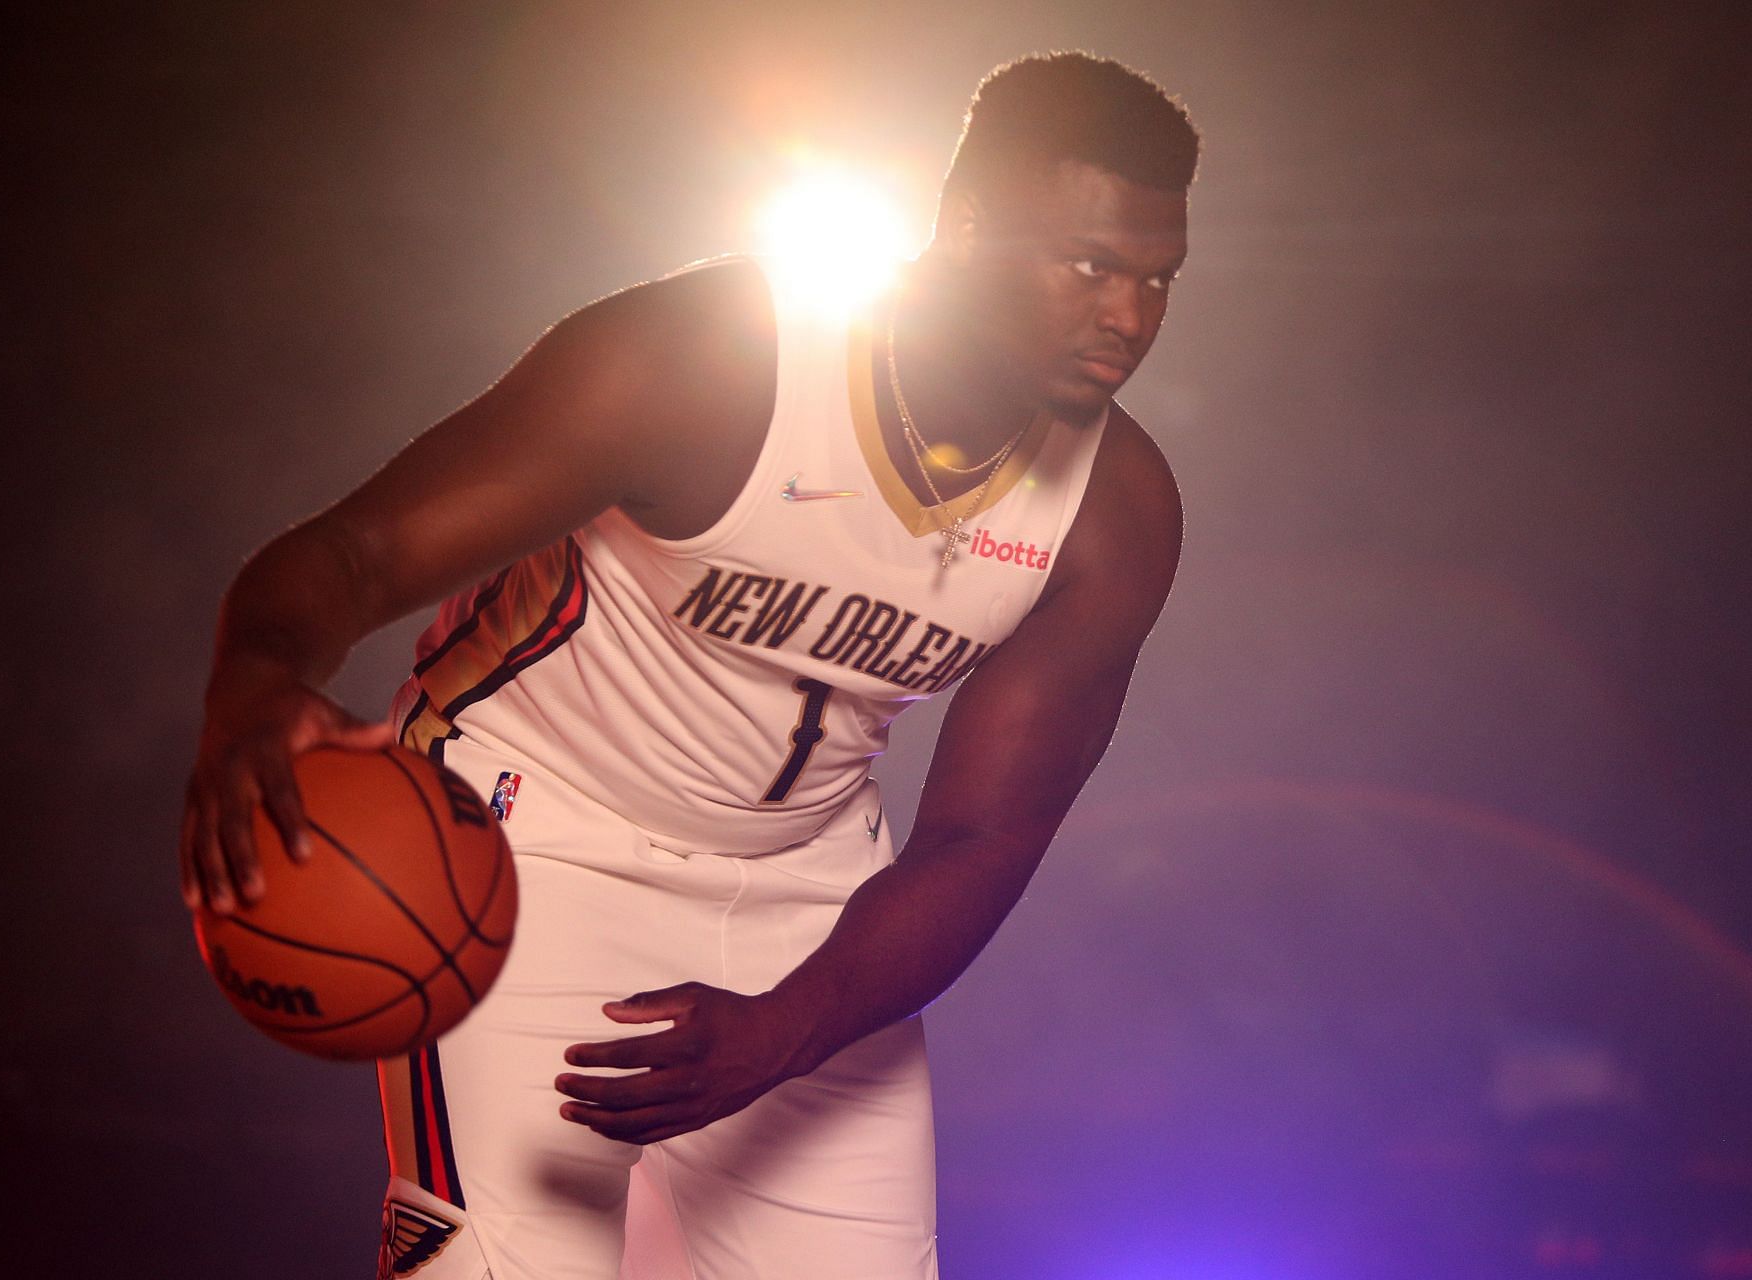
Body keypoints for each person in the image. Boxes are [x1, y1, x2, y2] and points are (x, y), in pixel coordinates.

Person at [181, 50, 1197, 1280]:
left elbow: (983, 835)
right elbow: (356, 552)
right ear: (969, 223)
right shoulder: (713, 361)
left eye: (1156, 278)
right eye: (1091, 266)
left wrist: (792, 1026)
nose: (1129, 317)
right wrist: (255, 676)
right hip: (531, 841)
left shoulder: (1113, 510)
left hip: (806, 888)